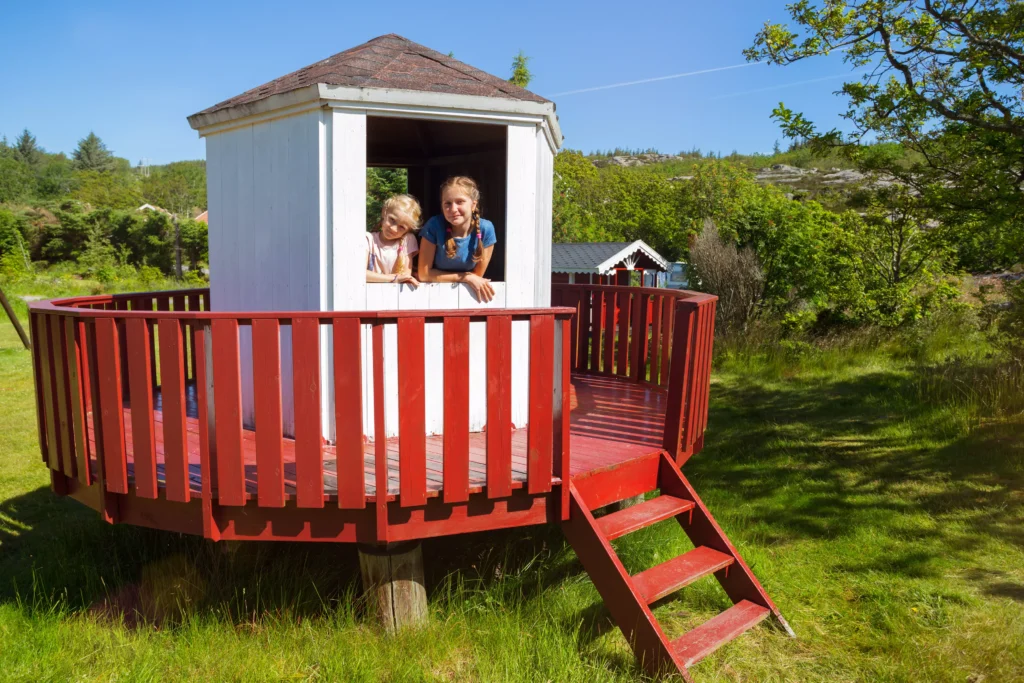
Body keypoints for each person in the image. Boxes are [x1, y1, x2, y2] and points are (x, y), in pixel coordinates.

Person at [417, 176, 496, 303]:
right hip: (433, 296)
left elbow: (477, 276)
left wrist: (467, 278)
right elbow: (424, 274)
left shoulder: (486, 229)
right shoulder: (434, 225)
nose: (453, 209)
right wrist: (464, 277)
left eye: (460, 202)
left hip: (468, 298)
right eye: (447, 203)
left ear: (473, 204)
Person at [366, 194, 421, 287]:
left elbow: (405, 275)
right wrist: (393, 278)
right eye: (392, 220)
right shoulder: (368, 239)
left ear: (407, 230)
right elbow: (360, 273)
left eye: (402, 227)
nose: (393, 229)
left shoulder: (407, 240)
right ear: (384, 212)